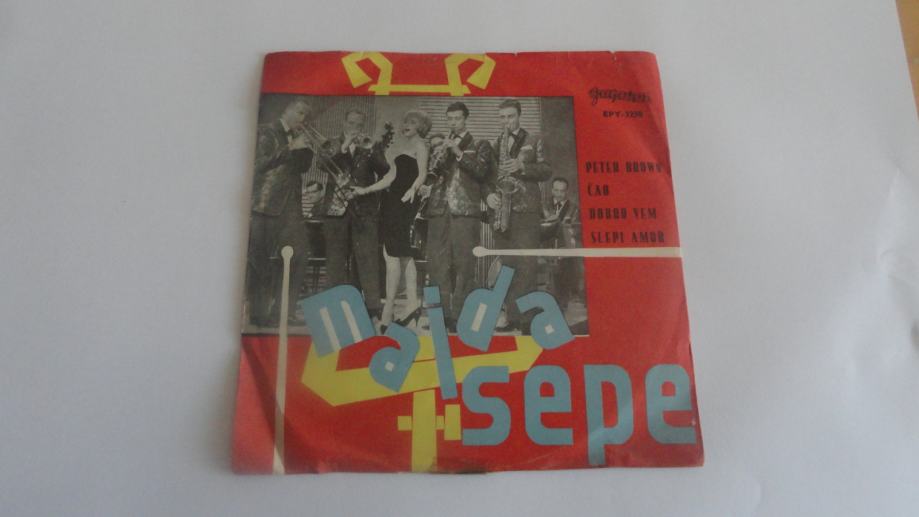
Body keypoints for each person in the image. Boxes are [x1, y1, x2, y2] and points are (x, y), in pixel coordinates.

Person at [422, 102, 494, 331]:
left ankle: (460, 317)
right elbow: (432, 175)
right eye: (449, 118)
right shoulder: (440, 145)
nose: (453, 122)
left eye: (457, 118)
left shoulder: (480, 144)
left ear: (465, 119)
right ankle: (439, 317)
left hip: (465, 210)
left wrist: (459, 153)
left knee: (464, 265)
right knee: (437, 265)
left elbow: (482, 172)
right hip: (438, 209)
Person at [246, 97, 314, 327]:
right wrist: (289, 148)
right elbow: (258, 165)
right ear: (286, 110)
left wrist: (306, 149)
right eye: (300, 112)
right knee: (260, 261)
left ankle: (285, 312)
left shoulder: (297, 136)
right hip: (265, 205)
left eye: (306, 115)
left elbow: (303, 167)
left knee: (300, 256)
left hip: (291, 207)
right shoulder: (267, 131)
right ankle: (258, 314)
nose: (304, 118)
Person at [486, 99, 552, 333]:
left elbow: (546, 170)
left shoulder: (534, 139)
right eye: (502, 117)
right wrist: (488, 196)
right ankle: (511, 316)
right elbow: (487, 177)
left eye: (511, 116)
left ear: (519, 116)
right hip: (502, 211)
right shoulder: (495, 143)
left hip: (527, 211)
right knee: (507, 264)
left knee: (527, 264)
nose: (507, 121)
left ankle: (527, 320)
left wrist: (522, 167)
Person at [321, 109, 391, 321]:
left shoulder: (369, 146)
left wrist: (372, 151)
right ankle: (334, 306)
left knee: (368, 259)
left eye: (359, 125)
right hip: (336, 210)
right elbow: (322, 165)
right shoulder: (331, 143)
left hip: (364, 210)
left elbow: (385, 171)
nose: (354, 128)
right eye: (351, 123)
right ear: (344, 123)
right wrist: (343, 148)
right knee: (335, 260)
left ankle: (372, 307)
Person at [378, 110, 431, 330]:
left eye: (412, 122)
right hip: (394, 201)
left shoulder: (420, 145)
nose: (407, 124)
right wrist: (366, 189)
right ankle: (411, 305)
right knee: (403, 254)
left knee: (392, 253)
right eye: (406, 121)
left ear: (421, 126)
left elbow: (422, 173)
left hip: (404, 201)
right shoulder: (404, 146)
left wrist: (413, 189)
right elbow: (391, 177)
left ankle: (388, 312)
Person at [542, 177, 580, 310]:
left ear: (567, 192)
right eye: (556, 190)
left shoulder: (574, 208)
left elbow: (575, 229)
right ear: (552, 190)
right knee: (549, 281)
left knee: (563, 282)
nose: (559, 194)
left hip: (565, 249)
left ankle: (561, 307)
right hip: (546, 248)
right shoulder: (543, 206)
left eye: (562, 191)